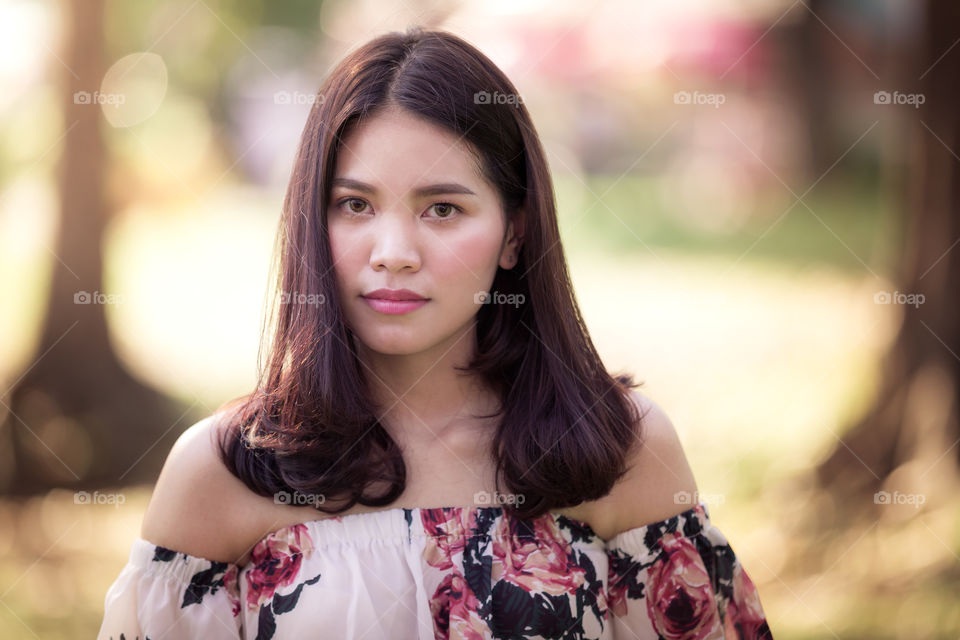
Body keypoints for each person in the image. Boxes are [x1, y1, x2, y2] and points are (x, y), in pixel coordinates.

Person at [97, 26, 773, 640]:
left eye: (442, 208)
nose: (393, 250)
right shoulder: (220, 472)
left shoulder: (621, 448)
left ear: (515, 232)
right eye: (355, 205)